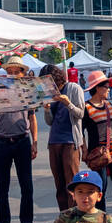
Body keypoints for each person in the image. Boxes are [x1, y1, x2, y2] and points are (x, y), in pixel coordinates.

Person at [0, 57, 38, 223]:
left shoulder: (27, 91)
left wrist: (35, 142)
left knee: (26, 183)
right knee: (1, 185)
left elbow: (32, 117)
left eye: (16, 71)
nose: (11, 74)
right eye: (9, 72)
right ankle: (3, 222)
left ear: (22, 73)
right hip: (2, 140)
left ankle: (26, 220)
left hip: (22, 140)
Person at [42, 63, 85, 213]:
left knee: (71, 182)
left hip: (70, 141)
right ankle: (64, 216)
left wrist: (68, 103)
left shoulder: (73, 88)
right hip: (54, 141)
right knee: (59, 183)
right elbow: (49, 122)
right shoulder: (50, 93)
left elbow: (80, 114)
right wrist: (47, 111)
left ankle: (75, 216)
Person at [81, 71, 112, 217]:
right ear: (97, 88)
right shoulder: (87, 108)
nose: (109, 88)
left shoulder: (109, 105)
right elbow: (80, 131)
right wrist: (84, 150)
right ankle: (101, 216)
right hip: (98, 153)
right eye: (106, 86)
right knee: (100, 186)